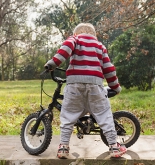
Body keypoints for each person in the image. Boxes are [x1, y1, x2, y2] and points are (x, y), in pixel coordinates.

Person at [44, 23, 127, 159]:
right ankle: (114, 146)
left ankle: (64, 147)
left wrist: (53, 64)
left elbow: (64, 50)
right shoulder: (100, 46)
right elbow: (108, 69)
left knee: (68, 115)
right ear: (93, 34)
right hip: (95, 86)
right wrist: (115, 87)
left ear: (76, 33)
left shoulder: (75, 39)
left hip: (74, 85)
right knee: (104, 114)